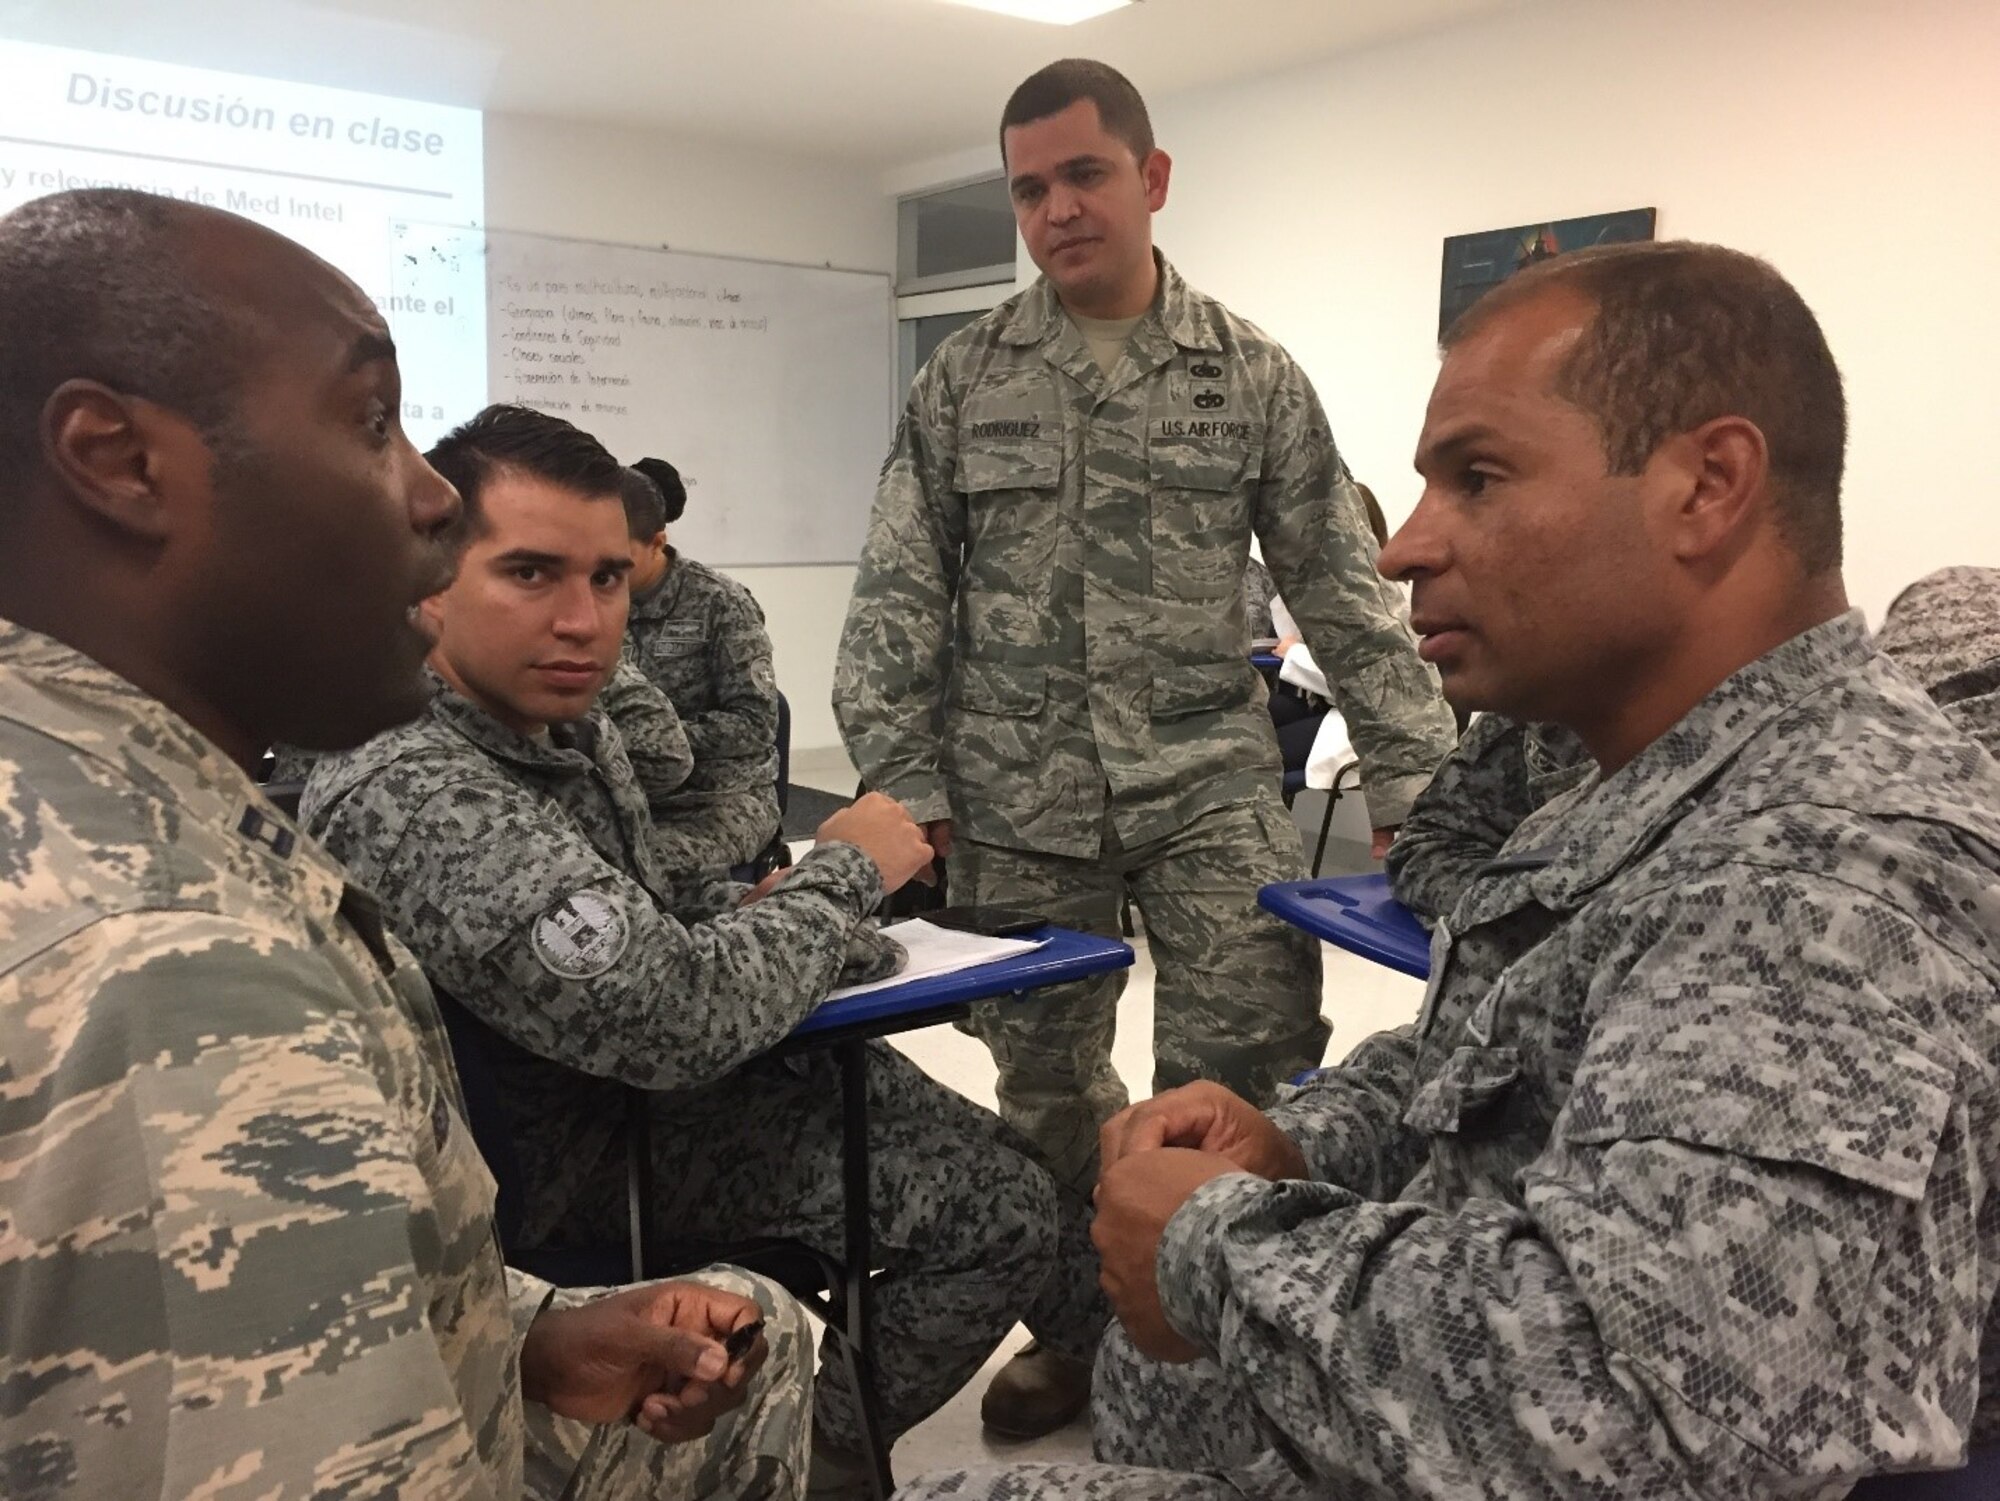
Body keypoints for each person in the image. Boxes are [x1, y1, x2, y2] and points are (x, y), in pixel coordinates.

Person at [896, 242, 2000, 1498]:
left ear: (1708, 485)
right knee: (1156, 1373)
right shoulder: (1648, 768)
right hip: (1437, 1390)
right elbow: (1508, 1052)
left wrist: (1212, 1247)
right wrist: (1300, 1144)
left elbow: (1636, 1410)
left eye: (1477, 478)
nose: (1401, 548)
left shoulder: (1830, 868)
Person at [0, 189, 809, 1500]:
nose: (434, 497)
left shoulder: (101, 797)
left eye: (607, 577)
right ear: (119, 459)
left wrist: (518, 1330)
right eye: (371, 422)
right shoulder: (165, 965)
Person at [300, 403, 1109, 1496]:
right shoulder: (415, 782)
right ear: (430, 577)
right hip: (587, 1152)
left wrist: (764, 905)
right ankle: (821, 1459)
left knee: (1016, 1165)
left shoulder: (558, 729)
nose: (586, 620)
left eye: (605, 579)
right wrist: (842, 873)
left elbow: (647, 908)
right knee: (999, 1215)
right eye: (531, 574)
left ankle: (1096, 1348)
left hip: (675, 1087)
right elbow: (667, 1018)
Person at [835, 58, 1455, 1428]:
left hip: (1205, 787)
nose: (1057, 208)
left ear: (1152, 178)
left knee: (1236, 1067)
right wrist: (909, 784)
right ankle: (1076, 1328)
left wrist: (1413, 778)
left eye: (1084, 174)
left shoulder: (1249, 376)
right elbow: (896, 597)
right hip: (1017, 795)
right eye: (1029, 188)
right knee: (1046, 1084)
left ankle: (1212, 1334)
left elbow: (1343, 590)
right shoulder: (966, 380)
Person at [1390, 564, 2000, 923]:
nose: (1402, 552)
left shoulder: (1877, 793)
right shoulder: (1567, 675)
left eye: (1482, 479)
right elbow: (1436, 840)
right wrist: (1540, 923)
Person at [619, 458, 785, 873]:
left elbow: (756, 722)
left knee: (645, 867)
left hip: (717, 798)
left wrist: (657, 740)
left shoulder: (719, 603)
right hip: (628, 793)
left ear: (657, 542)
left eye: (619, 561)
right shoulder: (592, 603)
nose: (603, 573)